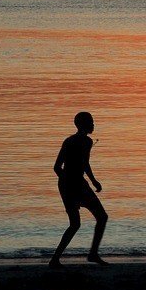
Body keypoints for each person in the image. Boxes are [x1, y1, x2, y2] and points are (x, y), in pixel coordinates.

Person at [50, 111, 109, 267]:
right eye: (91, 122)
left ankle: (88, 254)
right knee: (91, 220)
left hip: (73, 184)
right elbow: (66, 166)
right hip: (73, 185)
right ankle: (89, 254)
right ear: (83, 124)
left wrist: (91, 181)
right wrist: (74, 185)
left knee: (86, 221)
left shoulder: (78, 141)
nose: (93, 124)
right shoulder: (78, 141)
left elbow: (72, 165)